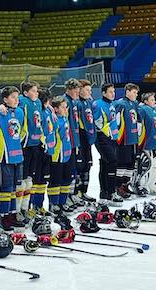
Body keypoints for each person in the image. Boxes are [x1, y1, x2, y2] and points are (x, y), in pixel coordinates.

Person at [0, 86, 24, 233]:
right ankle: (3, 217)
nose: (16, 100)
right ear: (5, 99)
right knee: (6, 188)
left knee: (15, 188)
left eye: (17, 97)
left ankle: (12, 214)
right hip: (3, 157)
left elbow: (22, 132)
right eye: (12, 97)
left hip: (17, 156)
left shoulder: (20, 112)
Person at [92, 83, 123, 206]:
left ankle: (105, 193)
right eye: (110, 92)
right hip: (102, 137)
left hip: (112, 138)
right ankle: (110, 191)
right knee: (112, 161)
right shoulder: (97, 104)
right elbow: (97, 122)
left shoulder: (112, 104)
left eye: (114, 91)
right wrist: (106, 131)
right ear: (104, 93)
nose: (113, 94)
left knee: (106, 163)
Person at [17, 81, 43, 226]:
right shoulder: (22, 101)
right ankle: (17, 210)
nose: (36, 93)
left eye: (37, 90)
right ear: (26, 93)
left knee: (29, 180)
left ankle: (25, 208)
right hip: (25, 145)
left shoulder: (38, 102)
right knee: (21, 181)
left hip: (36, 145)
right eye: (33, 90)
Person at [47, 96, 73, 218]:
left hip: (67, 154)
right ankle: (54, 203)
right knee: (55, 181)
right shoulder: (55, 120)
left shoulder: (65, 118)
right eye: (63, 107)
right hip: (57, 156)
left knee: (66, 179)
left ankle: (62, 202)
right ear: (56, 109)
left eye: (65, 107)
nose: (65, 109)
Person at [114, 83, 140, 198]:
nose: (136, 94)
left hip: (133, 139)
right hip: (123, 139)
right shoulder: (120, 104)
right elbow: (117, 121)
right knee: (122, 163)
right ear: (127, 91)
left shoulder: (134, 103)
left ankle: (125, 185)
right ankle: (118, 185)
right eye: (134, 92)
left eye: (136, 93)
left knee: (130, 163)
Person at [30, 87, 53, 216]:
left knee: (43, 180)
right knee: (36, 180)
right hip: (39, 149)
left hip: (47, 150)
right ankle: (33, 206)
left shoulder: (48, 112)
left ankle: (39, 205)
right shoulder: (40, 113)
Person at [137, 92, 156, 194]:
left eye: (154, 99)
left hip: (155, 142)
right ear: (145, 101)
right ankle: (142, 185)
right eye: (151, 100)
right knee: (147, 165)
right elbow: (139, 126)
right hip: (146, 142)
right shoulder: (143, 110)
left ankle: (151, 183)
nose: (154, 101)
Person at [63, 78, 82, 211]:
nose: (77, 92)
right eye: (75, 89)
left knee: (74, 170)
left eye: (78, 90)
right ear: (69, 89)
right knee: (68, 170)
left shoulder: (74, 101)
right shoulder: (65, 102)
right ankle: (66, 196)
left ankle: (71, 194)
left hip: (75, 141)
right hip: (68, 142)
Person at [76, 79, 96, 203]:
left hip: (88, 138)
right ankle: (77, 193)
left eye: (90, 90)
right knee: (80, 166)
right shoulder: (76, 103)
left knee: (88, 165)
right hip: (80, 138)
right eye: (87, 89)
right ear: (80, 90)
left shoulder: (89, 102)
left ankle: (84, 192)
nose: (89, 92)